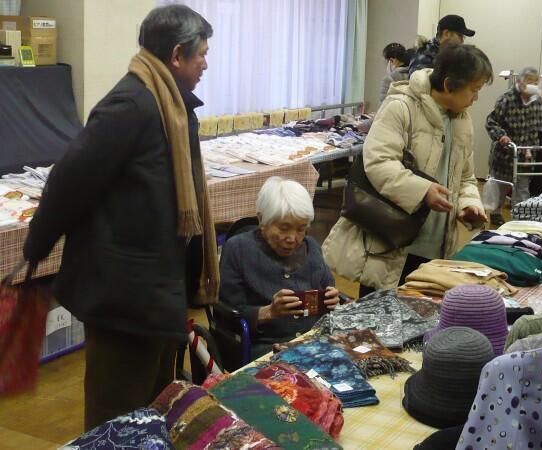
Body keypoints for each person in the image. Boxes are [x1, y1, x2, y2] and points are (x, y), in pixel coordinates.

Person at [22, 5, 219, 430]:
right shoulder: (132, 104)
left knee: (154, 406)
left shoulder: (171, 104)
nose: (206, 63)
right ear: (177, 54)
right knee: (116, 417)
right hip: (124, 296)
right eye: (202, 53)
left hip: (155, 292)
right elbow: (67, 181)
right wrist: (36, 247)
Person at [323, 44, 492, 297]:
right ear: (448, 85)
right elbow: (378, 162)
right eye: (474, 90)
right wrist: (423, 191)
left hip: (437, 244)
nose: (475, 99)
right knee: (379, 321)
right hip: (391, 240)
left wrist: (469, 202)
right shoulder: (401, 107)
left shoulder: (462, 120)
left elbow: (466, 175)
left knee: (421, 322)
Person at [219, 177, 340, 360]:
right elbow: (227, 313)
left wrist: (332, 300)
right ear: (262, 220)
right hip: (266, 346)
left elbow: (328, 291)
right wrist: (268, 312)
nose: (293, 238)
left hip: (313, 340)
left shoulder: (312, 247)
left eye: (301, 229)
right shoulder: (238, 249)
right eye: (284, 228)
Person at [484, 67, 542, 225]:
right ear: (520, 82)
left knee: (522, 188)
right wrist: (501, 135)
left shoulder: (538, 101)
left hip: (526, 155)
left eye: (535, 82)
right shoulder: (506, 99)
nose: (532, 85)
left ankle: (521, 219)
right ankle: (495, 213)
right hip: (506, 153)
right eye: (529, 81)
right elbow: (491, 122)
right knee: (501, 187)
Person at [408, 14, 475, 76]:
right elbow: (421, 86)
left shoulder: (450, 54)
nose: (462, 41)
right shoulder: (424, 56)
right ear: (446, 33)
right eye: (460, 36)